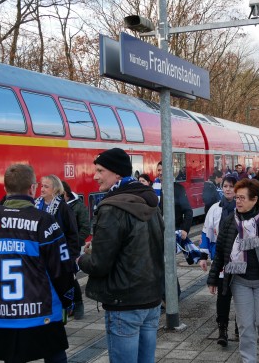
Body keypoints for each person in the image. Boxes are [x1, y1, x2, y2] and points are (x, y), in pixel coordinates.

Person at [0, 164, 74, 363]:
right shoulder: (46, 221)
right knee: (55, 356)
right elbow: (62, 268)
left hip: (2, 313)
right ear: (32, 188)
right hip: (44, 312)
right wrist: (68, 301)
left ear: (5, 189)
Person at [77, 148, 164, 363]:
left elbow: (99, 264)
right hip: (151, 298)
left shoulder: (111, 207)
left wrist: (79, 259)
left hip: (124, 302)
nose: (95, 176)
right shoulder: (150, 201)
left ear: (116, 173)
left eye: (100, 170)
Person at [207, 179, 259, 363]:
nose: (238, 201)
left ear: (255, 199)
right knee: (245, 325)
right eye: (237, 198)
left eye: (242, 198)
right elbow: (221, 252)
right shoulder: (230, 222)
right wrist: (212, 279)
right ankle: (249, 359)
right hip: (239, 281)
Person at [34, 175, 81, 318]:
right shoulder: (36, 205)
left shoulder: (63, 208)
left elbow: (73, 234)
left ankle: (75, 305)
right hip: (41, 255)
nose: (42, 189)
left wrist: (72, 256)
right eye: (41, 186)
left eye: (46, 186)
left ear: (55, 189)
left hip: (61, 254)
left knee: (67, 281)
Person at [198, 175, 237, 347]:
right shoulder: (215, 208)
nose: (228, 189)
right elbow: (206, 232)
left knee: (240, 296)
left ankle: (239, 326)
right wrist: (203, 256)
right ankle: (222, 329)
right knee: (223, 296)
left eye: (231, 186)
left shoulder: (242, 207)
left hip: (240, 259)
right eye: (225, 186)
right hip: (221, 259)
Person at [62, 180, 91, 319]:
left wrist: (75, 243)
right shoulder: (51, 207)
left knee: (72, 277)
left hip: (72, 247)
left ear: (64, 193)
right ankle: (67, 305)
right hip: (59, 249)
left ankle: (78, 304)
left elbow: (85, 227)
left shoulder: (78, 206)